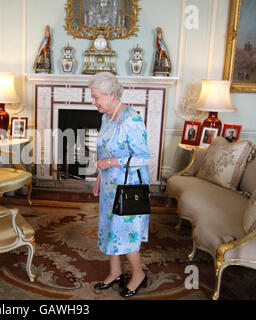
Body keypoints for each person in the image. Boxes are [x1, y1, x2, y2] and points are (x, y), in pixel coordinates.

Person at [89, 72, 150, 298]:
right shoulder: (107, 116)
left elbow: (143, 158)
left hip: (129, 188)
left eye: (96, 97)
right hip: (109, 186)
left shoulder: (131, 120)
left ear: (111, 94)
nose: (94, 102)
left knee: (127, 232)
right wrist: (99, 176)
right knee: (109, 229)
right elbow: (103, 150)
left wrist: (111, 162)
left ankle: (138, 274)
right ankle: (115, 272)